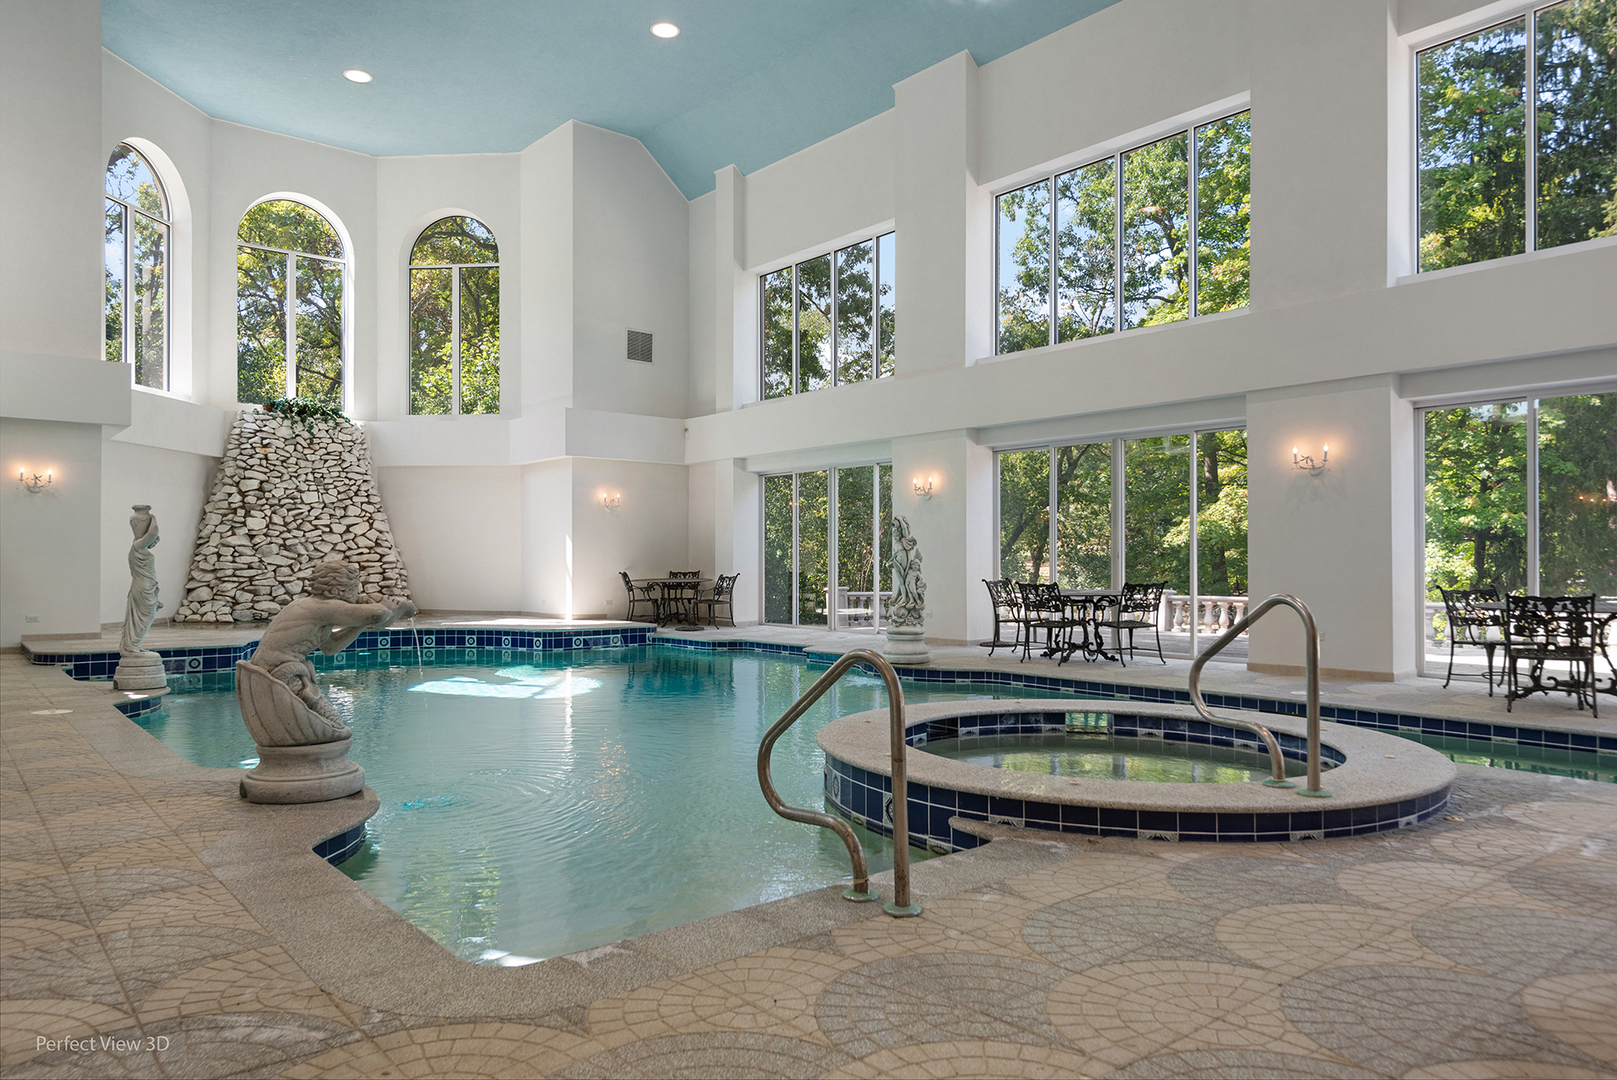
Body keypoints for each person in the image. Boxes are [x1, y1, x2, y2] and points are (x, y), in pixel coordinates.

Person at [249, 561, 417, 724]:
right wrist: (390, 606)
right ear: (336, 590)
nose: (357, 594)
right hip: (280, 675)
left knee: (325, 728)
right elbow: (379, 615)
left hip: (273, 673)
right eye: (354, 588)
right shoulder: (323, 607)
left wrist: (363, 622)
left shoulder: (308, 606)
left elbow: (330, 647)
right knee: (332, 727)